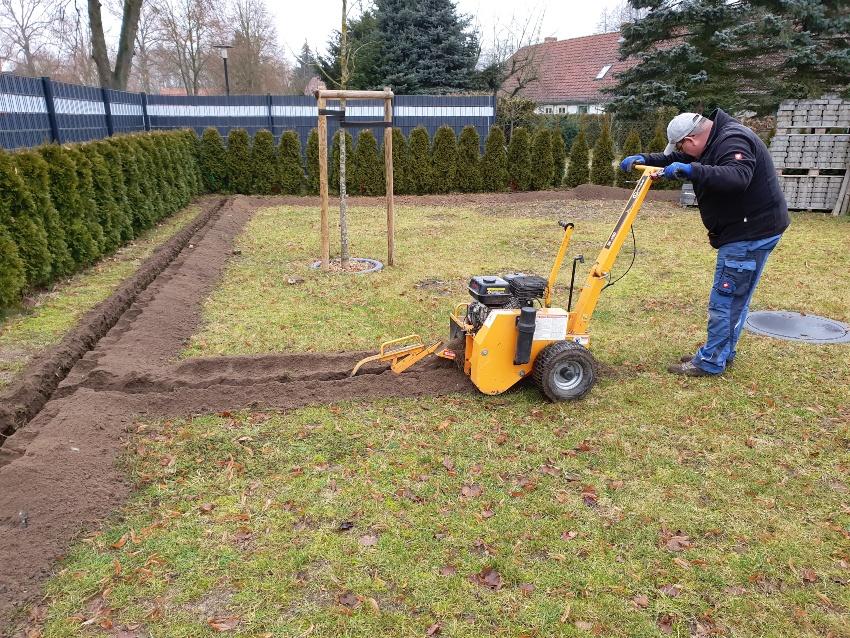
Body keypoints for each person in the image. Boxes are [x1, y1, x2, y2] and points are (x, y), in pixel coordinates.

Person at [621, 109, 790, 376]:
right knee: (736, 297)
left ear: (691, 140)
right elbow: (677, 159)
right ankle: (721, 352)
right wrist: (647, 159)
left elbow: (737, 176)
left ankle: (711, 361)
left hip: (748, 233)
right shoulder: (715, 139)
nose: (682, 152)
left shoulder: (733, 140)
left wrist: (692, 170)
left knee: (725, 298)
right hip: (753, 227)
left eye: (681, 146)